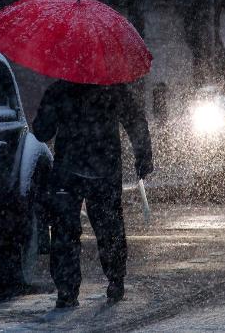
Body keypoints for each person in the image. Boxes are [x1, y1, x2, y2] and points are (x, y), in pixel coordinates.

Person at [32, 80, 153, 308]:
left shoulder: (59, 89)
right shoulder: (113, 88)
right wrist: (143, 156)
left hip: (68, 171)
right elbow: (135, 121)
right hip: (104, 169)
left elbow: (41, 132)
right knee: (109, 227)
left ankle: (67, 291)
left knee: (65, 232)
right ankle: (115, 279)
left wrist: (52, 115)